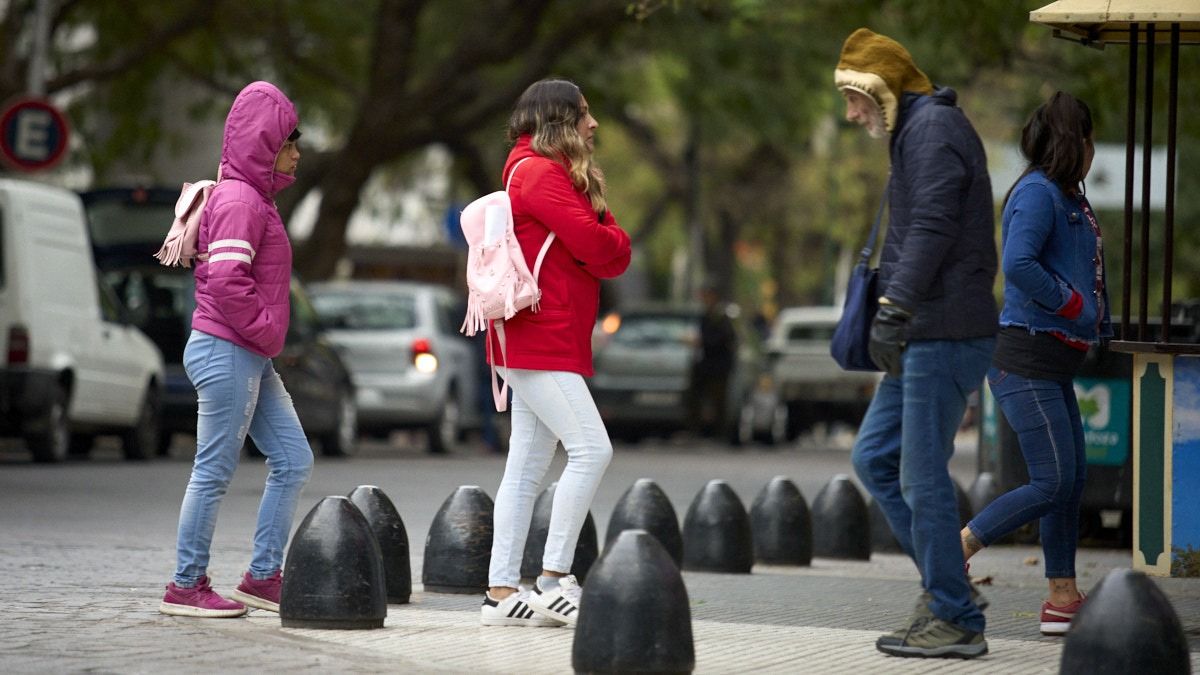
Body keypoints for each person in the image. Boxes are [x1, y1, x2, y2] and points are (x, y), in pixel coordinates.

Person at [836, 28, 998, 658]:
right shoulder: (917, 130)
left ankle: (955, 616)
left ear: (882, 89)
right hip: (923, 333)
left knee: (920, 476)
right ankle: (947, 587)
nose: (852, 114)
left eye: (855, 99)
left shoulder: (932, 130)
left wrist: (895, 305)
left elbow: (931, 227)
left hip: (942, 331)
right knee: (874, 458)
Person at [480, 78, 631, 628]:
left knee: (525, 467)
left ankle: (500, 594)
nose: (593, 124)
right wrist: (605, 225)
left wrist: (598, 233)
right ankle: (553, 579)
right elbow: (605, 249)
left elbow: (601, 256)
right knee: (592, 450)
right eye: (583, 114)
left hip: (533, 335)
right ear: (557, 122)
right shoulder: (542, 174)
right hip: (541, 338)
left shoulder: (531, 169)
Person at [159, 81, 312, 618]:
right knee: (213, 471)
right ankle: (185, 586)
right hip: (228, 350)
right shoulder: (242, 200)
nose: (297, 153)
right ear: (266, 144)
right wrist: (267, 331)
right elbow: (227, 278)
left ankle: (263, 577)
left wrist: (262, 339)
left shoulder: (254, 198)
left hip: (242, 350)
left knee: (293, 459)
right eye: (290, 143)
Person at [961, 92, 1109, 636]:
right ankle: (957, 548)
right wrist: (1072, 304)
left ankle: (1062, 599)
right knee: (1052, 481)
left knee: (1071, 480)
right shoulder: (1037, 194)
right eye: (1090, 141)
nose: (1093, 152)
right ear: (1076, 142)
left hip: (1053, 360)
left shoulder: (1069, 197)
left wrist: (1095, 320)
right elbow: (1019, 264)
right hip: (1024, 358)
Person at [688, 285, 737, 437]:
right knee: (698, 397)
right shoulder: (705, 315)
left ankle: (720, 432)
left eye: (707, 296)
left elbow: (724, 338)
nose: (704, 299)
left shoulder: (720, 316)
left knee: (719, 400)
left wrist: (702, 342)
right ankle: (700, 429)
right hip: (706, 364)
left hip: (719, 365)